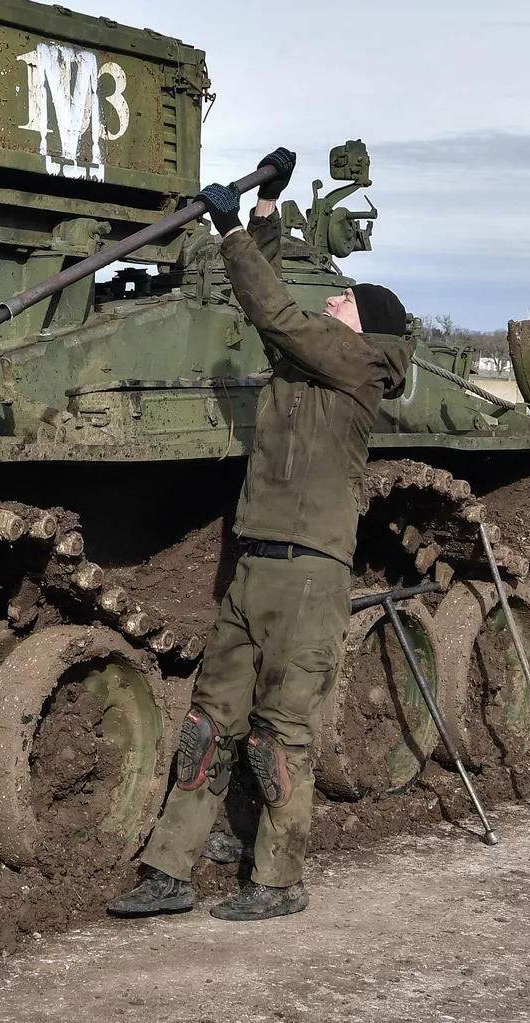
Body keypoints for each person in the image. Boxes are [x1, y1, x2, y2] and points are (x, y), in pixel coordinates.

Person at [107, 148, 413, 922]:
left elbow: (276, 313)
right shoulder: (313, 366)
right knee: (211, 723)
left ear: (366, 328)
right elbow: (275, 319)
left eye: (344, 300)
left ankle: (277, 881)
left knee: (282, 735)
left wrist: (231, 233)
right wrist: (268, 214)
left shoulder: (359, 366)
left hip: (310, 577)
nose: (334, 301)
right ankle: (170, 870)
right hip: (256, 565)